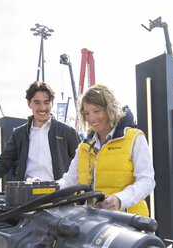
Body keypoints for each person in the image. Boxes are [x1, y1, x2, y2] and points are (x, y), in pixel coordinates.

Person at [0, 81, 80, 193]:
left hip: (59, 196)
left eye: (47, 102)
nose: (42, 108)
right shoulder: (19, 134)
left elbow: (82, 163)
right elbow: (3, 163)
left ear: (52, 103)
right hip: (28, 197)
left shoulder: (66, 132)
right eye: (37, 102)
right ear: (29, 103)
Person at [57, 84, 155, 217]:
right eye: (87, 113)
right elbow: (69, 181)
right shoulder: (84, 147)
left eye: (96, 111)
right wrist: (41, 187)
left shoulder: (134, 138)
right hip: (93, 224)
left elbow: (147, 181)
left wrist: (120, 199)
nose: (91, 118)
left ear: (109, 109)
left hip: (129, 223)